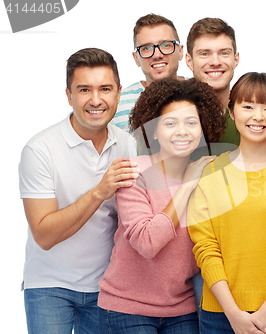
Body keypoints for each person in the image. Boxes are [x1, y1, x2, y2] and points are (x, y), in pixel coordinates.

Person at [19, 48, 138, 334]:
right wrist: (99, 192)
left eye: (105, 89)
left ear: (119, 93)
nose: (96, 100)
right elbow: (44, 235)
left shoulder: (127, 145)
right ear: (69, 95)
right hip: (49, 286)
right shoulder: (39, 150)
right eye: (84, 89)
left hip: (106, 288)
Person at [187, 72, 266, 333]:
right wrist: (233, 313)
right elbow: (205, 248)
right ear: (231, 111)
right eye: (247, 106)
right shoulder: (211, 171)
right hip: (220, 314)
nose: (257, 117)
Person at [97, 78, 226, 333]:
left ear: (203, 129)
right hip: (127, 308)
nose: (182, 131)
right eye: (170, 123)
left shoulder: (209, 175)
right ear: (154, 130)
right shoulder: (134, 172)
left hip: (182, 309)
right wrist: (187, 186)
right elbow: (147, 242)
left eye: (191, 123)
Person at [111, 14, 185, 132]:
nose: (157, 55)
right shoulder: (117, 105)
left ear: (180, 51)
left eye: (166, 45)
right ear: (136, 58)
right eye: (146, 48)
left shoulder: (202, 93)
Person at [185, 17, 240, 147]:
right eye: (204, 54)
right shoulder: (171, 115)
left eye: (224, 53)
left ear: (235, 59)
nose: (215, 62)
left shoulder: (253, 114)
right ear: (189, 61)